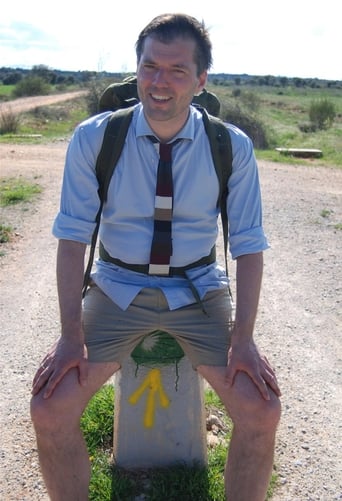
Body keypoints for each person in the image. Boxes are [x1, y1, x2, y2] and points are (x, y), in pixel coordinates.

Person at [30, 13, 281, 501]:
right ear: (136, 69)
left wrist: (244, 340)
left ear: (201, 79)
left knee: (260, 411)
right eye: (150, 67)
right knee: (49, 410)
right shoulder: (95, 138)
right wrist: (69, 336)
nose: (159, 83)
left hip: (198, 291)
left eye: (176, 70)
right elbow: (72, 238)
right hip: (117, 289)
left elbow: (248, 246)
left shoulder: (230, 146)